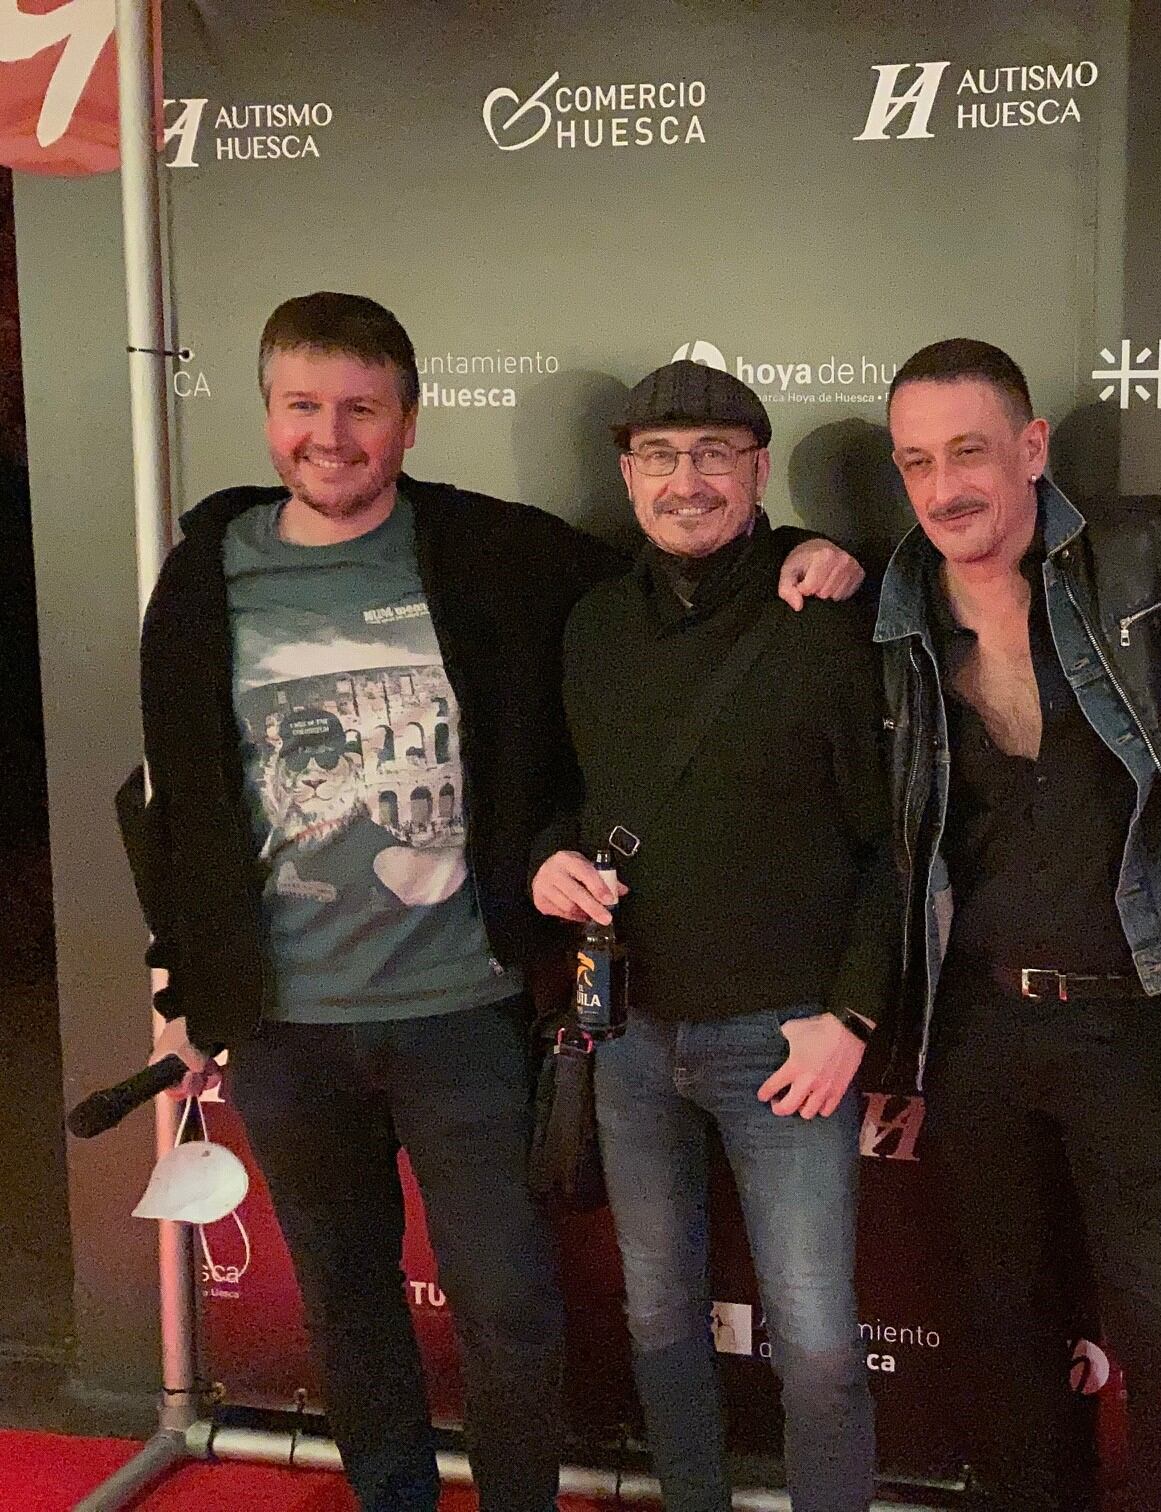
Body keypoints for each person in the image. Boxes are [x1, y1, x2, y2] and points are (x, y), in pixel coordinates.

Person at [129, 293, 858, 1512]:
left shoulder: (489, 551)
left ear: (410, 421)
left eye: (362, 409)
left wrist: (803, 547)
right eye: (304, 406)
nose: (331, 435)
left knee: (511, 1308)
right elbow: (178, 802)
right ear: (265, 415)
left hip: (462, 1012)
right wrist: (180, 977)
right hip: (282, 1026)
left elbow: (679, 567)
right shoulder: (207, 575)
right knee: (348, 1306)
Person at [874, 338, 1161, 1511]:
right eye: (916, 462)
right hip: (978, 1028)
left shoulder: (1155, 557)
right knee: (1004, 1340)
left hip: (1134, 1018)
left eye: (970, 451)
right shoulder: (889, 612)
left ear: (1033, 449)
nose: (945, 488)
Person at [530, 360, 889, 1512]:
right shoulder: (592, 626)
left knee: (818, 1339)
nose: (686, 481)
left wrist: (852, 1015)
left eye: (714, 456)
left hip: (786, 1041)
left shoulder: (824, 620)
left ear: (758, 468)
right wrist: (548, 855)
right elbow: (567, 792)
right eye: (660, 458)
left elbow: (892, 841)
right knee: (658, 1315)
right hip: (628, 1030)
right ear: (628, 473)